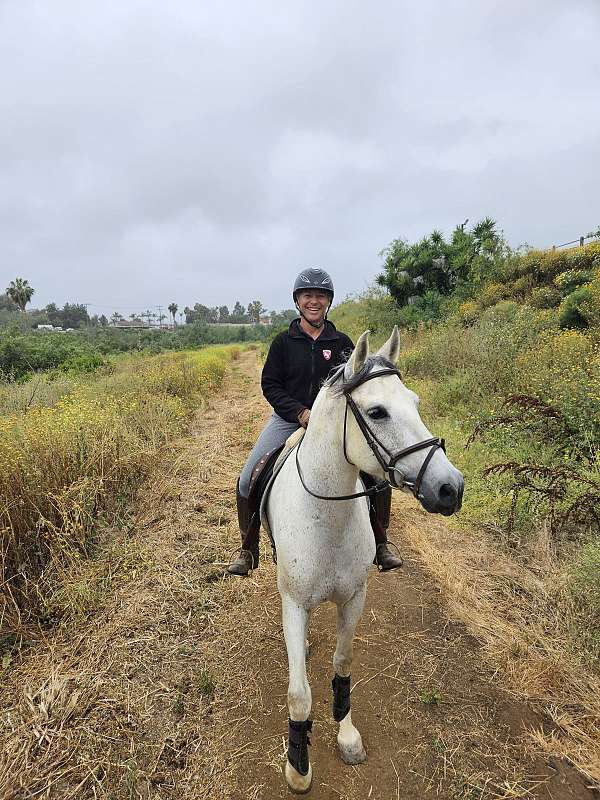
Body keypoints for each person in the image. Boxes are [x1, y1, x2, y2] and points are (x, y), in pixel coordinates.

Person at [227, 267, 404, 576]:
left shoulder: (342, 342)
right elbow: (270, 384)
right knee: (247, 478)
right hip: (288, 419)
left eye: (320, 296)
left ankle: (380, 542)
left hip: (335, 424)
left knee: (377, 475)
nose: (314, 301)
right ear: (298, 301)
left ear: (328, 302)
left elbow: (357, 387)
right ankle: (248, 548)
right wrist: (299, 413)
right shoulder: (284, 342)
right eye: (307, 296)